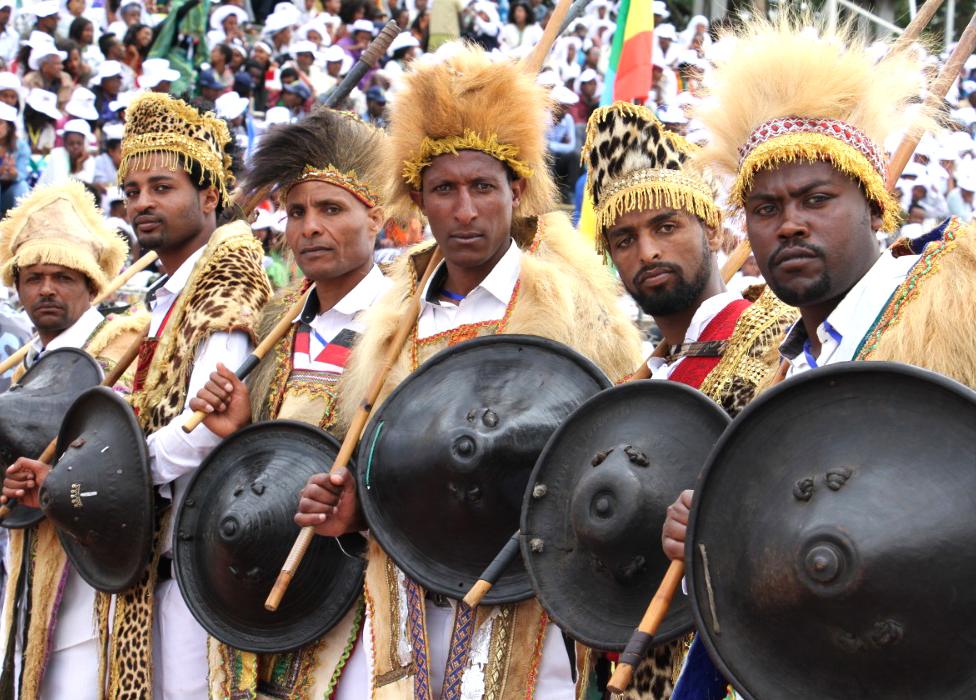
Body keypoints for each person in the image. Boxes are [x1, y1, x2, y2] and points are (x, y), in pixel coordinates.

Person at [298, 42, 643, 698]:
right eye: (444, 190)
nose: (463, 212)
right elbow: (394, 470)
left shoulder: (568, 302)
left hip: (529, 608)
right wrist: (355, 513)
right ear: (418, 201)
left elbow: (626, 452)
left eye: (482, 187)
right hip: (400, 609)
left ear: (515, 190)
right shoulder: (393, 318)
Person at [661, 16, 972, 697]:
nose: (790, 223)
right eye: (766, 208)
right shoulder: (785, 370)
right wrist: (720, 525)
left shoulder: (958, 307)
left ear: (874, 203)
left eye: (817, 199)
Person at [2, 92, 273, 698]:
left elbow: (203, 427)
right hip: (152, 557)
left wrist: (79, 481)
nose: (143, 203)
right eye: (132, 191)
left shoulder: (226, 278)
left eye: (162, 187)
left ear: (209, 197)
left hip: (192, 556)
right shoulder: (166, 295)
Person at [576, 101, 796, 699]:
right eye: (624, 239)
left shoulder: (782, 340)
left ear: (716, 229)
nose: (646, 251)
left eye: (665, 227)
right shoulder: (629, 387)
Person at [189, 107, 391, 700]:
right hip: (266, 580)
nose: (309, 228)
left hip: (358, 593)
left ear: (375, 217)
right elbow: (265, 459)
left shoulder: (402, 321)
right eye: (298, 211)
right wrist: (239, 431)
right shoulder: (277, 317)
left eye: (332, 209)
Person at [0, 181, 148, 700]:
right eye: (34, 277)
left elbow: (125, 455)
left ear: (92, 287)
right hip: (26, 568)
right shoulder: (25, 366)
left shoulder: (124, 347)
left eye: (63, 277)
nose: (46, 289)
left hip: (94, 580)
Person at [36, 118, 94, 186]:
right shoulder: (57, 154)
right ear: (64, 143)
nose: (75, 147)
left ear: (85, 143)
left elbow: (86, 187)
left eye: (79, 143)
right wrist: (78, 170)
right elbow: (61, 186)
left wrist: (79, 167)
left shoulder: (89, 160)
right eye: (71, 143)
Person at [0, 103, 29, 216]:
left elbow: (23, 173)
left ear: (9, 126)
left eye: (0, 123)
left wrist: (14, 174)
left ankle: (20, 222)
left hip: (8, 191)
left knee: (22, 187)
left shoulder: (20, 146)